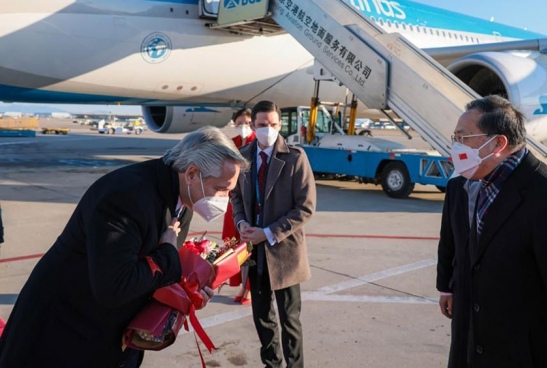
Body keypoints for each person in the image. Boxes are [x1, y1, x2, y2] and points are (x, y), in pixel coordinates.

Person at [0, 126, 249, 367]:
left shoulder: (181, 192)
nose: (224, 199)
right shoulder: (127, 196)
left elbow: (154, 267)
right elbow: (115, 286)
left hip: (109, 336)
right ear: (192, 173)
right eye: (220, 189)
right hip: (64, 336)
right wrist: (167, 257)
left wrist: (188, 291)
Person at [436, 95, 547, 367]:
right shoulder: (462, 185)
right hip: (470, 347)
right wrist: (447, 286)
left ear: (497, 144)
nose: (456, 146)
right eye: (455, 137)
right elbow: (451, 241)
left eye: (464, 137)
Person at [231, 100, 316, 368]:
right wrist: (241, 222)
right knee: (263, 320)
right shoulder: (242, 156)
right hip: (255, 253)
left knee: (290, 320)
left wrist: (268, 232)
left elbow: (305, 208)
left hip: (285, 252)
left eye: (273, 125)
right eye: (262, 125)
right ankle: (272, 365)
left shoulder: (295, 157)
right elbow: (235, 197)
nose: (268, 129)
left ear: (280, 125)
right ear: (252, 126)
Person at [223, 108, 256, 304]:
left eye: (247, 123)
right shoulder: (231, 144)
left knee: (249, 245)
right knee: (233, 244)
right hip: (233, 200)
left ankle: (248, 287)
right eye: (240, 123)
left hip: (250, 200)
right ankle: (241, 282)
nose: (244, 126)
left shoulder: (256, 143)